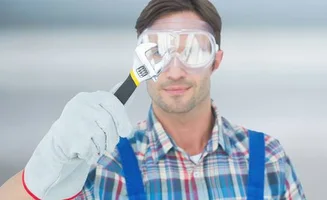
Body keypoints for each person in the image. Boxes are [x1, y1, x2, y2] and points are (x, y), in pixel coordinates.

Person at [0, 0, 306, 199]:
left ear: (215, 60)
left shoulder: (267, 157)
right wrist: (42, 170)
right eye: (157, 52)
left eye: (193, 50)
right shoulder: (104, 163)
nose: (174, 70)